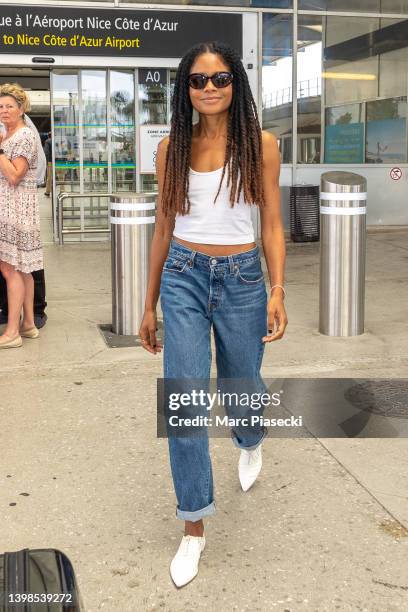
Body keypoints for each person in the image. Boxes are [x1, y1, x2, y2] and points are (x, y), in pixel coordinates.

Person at [139, 41, 287, 587]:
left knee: (241, 381)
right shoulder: (171, 148)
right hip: (182, 276)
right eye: (198, 81)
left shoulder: (262, 145)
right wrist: (149, 301)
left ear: (236, 84)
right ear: (185, 89)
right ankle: (193, 525)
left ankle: (250, 438)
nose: (208, 89)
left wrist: (278, 289)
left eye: (220, 79)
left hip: (245, 279)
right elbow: (162, 227)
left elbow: (271, 223)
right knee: (185, 400)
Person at [0, 83, 44, 348]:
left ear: (21, 109)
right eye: (1, 107)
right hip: (10, 207)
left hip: (16, 208)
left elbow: (15, 175)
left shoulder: (24, 136)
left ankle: (12, 332)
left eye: (9, 107)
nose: (4, 111)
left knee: (10, 267)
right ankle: (28, 324)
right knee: (24, 269)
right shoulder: (8, 135)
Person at [43, 131, 52, 196]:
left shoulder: (48, 141)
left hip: (50, 161)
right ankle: (62, 191)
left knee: (49, 177)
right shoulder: (60, 140)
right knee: (61, 177)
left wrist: (47, 161)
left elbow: (46, 152)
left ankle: (48, 192)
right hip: (59, 161)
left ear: (48, 136)